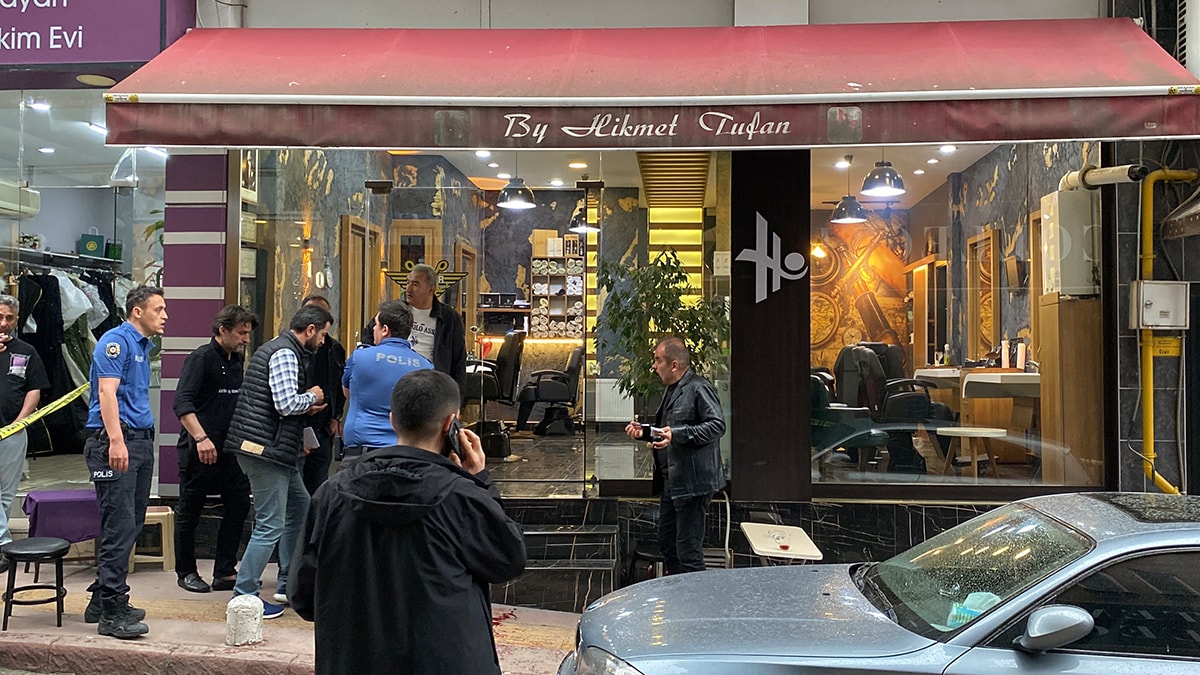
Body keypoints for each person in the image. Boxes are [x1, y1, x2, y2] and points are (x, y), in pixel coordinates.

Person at [291, 369, 526, 675]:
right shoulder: (462, 496)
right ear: (450, 424)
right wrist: (481, 481)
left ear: (392, 420)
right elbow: (508, 560)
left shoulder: (330, 494)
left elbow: (303, 596)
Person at [226, 304, 332, 619]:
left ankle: (288, 582)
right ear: (310, 330)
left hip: (274, 451)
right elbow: (285, 404)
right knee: (270, 523)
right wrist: (312, 397)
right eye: (323, 335)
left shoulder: (281, 349)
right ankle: (244, 595)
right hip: (265, 452)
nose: (323, 342)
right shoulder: (285, 353)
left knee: (301, 507)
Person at [83, 286, 167, 639]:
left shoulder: (142, 346)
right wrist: (116, 441)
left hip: (139, 441)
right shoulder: (115, 342)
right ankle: (112, 612)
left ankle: (101, 598)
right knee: (119, 526)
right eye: (158, 309)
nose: (165, 316)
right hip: (116, 442)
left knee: (130, 525)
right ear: (137, 311)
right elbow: (106, 392)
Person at [172, 305, 258, 594]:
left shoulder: (237, 359)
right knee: (191, 510)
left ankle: (224, 570)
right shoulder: (201, 358)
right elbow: (182, 403)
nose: (246, 339)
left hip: (231, 448)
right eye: (241, 333)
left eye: (248, 333)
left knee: (239, 505)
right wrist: (201, 438)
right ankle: (186, 571)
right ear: (223, 330)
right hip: (200, 448)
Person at [624, 337, 726, 575]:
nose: (653, 366)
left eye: (657, 360)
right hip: (672, 482)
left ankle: (695, 597)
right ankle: (677, 593)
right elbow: (668, 431)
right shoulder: (672, 389)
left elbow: (717, 426)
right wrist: (644, 433)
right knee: (668, 544)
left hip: (693, 485)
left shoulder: (699, 388)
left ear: (674, 365)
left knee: (688, 552)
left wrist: (678, 434)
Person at [340, 300, 432, 459]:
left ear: (384, 330)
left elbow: (348, 393)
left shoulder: (359, 357)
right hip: (406, 454)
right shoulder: (425, 367)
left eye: (376, 324)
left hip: (362, 453)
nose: (373, 329)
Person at [0, 295, 49, 574]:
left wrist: (20, 422)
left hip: (13, 432)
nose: (4, 323)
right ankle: (4, 543)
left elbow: (34, 389)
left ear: (17, 320)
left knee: (7, 493)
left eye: (10, 318)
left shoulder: (26, 351)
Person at [299, 295, 346, 494]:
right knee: (296, 489)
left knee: (319, 487)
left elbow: (339, 385)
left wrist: (336, 416)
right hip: (298, 425)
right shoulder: (292, 349)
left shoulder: (335, 349)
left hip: (324, 427)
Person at [403, 263, 466, 395]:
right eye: (407, 282)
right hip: (399, 374)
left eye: (415, 284)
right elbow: (370, 334)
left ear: (431, 289)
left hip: (433, 382)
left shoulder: (450, 318)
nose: (408, 289)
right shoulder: (397, 310)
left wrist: (457, 398)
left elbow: (458, 362)